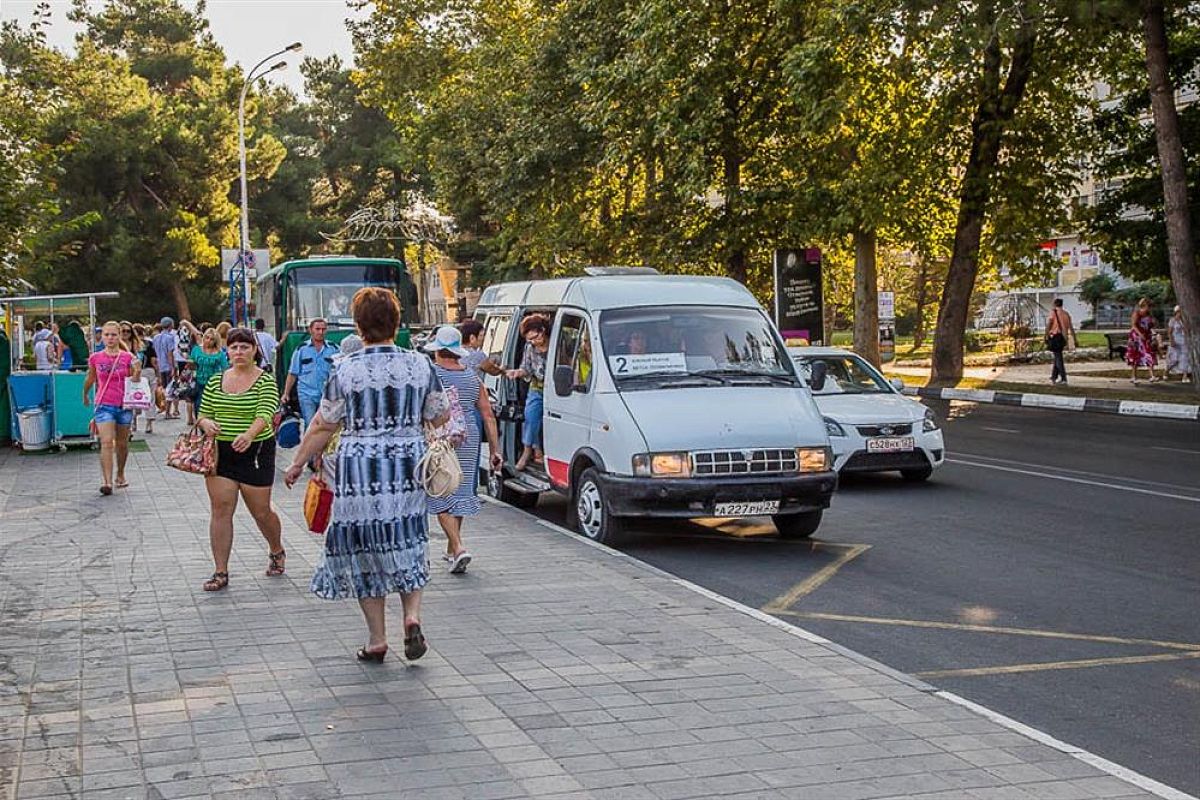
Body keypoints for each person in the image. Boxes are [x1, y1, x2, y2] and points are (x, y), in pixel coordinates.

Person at [284, 287, 450, 663]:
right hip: (408, 467)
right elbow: (440, 415)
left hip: (360, 471)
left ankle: (377, 639)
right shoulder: (420, 365)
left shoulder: (346, 368)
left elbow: (324, 424)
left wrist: (298, 462)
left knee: (365, 552)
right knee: (408, 540)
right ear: (396, 322)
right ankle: (411, 617)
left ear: (359, 326)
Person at [195, 327, 284, 592]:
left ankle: (276, 549)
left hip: (255, 451)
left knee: (261, 511)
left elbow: (266, 412)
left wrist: (249, 434)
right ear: (227, 351)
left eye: (244, 347)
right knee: (221, 510)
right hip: (221, 452)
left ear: (255, 350)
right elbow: (202, 412)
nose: (238, 352)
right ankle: (220, 571)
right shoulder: (216, 380)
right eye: (233, 347)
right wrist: (205, 423)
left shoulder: (265, 380)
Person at [423, 326, 503, 575]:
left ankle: (457, 548)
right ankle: (450, 548)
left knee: (441, 492)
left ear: (438, 351)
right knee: (460, 489)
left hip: (440, 437)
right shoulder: (471, 376)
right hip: (468, 436)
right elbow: (488, 415)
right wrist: (494, 451)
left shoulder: (432, 375)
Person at [83, 321, 142, 495]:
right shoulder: (95, 358)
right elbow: (91, 378)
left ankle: (120, 474)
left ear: (119, 336)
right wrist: (85, 393)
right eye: (106, 334)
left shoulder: (128, 357)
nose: (110, 338)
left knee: (122, 444)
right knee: (106, 442)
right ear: (101, 337)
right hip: (103, 405)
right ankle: (107, 482)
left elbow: (135, 382)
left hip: (124, 404)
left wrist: (137, 371)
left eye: (113, 334)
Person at [504, 314, 550, 471]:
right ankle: (528, 451)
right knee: (531, 417)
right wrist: (517, 373)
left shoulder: (558, 342)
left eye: (535, 337)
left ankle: (538, 451)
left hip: (556, 388)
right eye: (529, 339)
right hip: (537, 387)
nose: (533, 342)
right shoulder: (530, 347)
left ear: (543, 331)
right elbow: (526, 368)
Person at [283, 319, 337, 426]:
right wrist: (286, 393)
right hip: (306, 394)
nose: (320, 332)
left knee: (327, 425)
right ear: (311, 330)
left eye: (323, 329)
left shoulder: (334, 349)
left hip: (327, 394)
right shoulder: (301, 350)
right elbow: (293, 373)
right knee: (311, 424)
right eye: (317, 329)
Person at [188, 327, 230, 413]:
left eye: (212, 339)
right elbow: (191, 364)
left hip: (214, 383)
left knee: (212, 407)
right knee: (198, 406)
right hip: (199, 382)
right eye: (207, 337)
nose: (208, 340)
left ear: (215, 341)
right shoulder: (196, 350)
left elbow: (225, 368)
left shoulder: (219, 353)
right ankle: (200, 424)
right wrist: (191, 364)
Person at [1126, 297, 1158, 384]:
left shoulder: (1149, 315)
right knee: (1135, 357)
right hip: (1136, 338)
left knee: (1149, 354)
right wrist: (1140, 334)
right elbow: (1133, 325)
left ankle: (1152, 376)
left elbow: (1150, 326)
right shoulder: (1137, 313)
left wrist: (1153, 325)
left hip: (1146, 337)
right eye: (1148, 306)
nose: (1149, 308)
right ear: (1144, 305)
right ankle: (1134, 376)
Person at [152, 318, 179, 418]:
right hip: (168, 365)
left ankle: (162, 408)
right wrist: (173, 367)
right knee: (170, 389)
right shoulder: (170, 337)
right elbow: (170, 353)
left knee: (163, 388)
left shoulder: (156, 337)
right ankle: (168, 412)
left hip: (160, 365)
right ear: (171, 325)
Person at [1045, 299, 1074, 385]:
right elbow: (1071, 328)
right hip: (1063, 338)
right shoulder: (1066, 314)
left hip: (1056, 337)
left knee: (1058, 357)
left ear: (1055, 304)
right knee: (1057, 356)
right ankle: (1054, 376)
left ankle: (1063, 378)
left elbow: (1049, 324)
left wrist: (1046, 335)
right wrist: (1075, 339)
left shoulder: (1053, 313)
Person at [1167, 305, 1192, 382]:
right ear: (1177, 312)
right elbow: (1169, 332)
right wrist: (1171, 340)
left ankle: (1185, 376)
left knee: (1185, 358)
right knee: (1174, 359)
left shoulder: (1184, 321)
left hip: (1184, 341)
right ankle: (1166, 372)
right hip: (1175, 341)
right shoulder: (1172, 320)